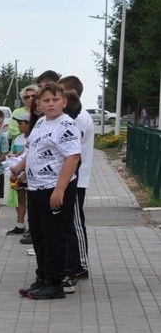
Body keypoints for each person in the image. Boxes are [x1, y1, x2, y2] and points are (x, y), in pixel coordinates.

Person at [9, 81, 80, 300]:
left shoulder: (66, 125)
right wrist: (20, 170)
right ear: (39, 103)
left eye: (55, 100)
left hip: (55, 189)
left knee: (54, 236)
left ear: (64, 102)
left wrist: (60, 189)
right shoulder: (40, 124)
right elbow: (33, 152)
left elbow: (73, 157)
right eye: (46, 100)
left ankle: (55, 283)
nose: (50, 104)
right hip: (36, 187)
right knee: (39, 235)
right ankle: (43, 278)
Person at [62, 76, 93, 286]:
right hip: (69, 177)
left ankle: (80, 264)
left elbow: (73, 151)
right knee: (68, 224)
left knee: (75, 223)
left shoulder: (80, 118)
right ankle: (70, 261)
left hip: (77, 178)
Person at [6, 112, 30, 235]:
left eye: (21, 123)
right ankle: (20, 225)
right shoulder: (18, 139)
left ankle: (32, 226)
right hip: (17, 174)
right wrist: (11, 157)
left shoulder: (34, 137)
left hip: (30, 175)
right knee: (20, 199)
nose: (19, 126)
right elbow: (14, 153)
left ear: (29, 124)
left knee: (31, 200)